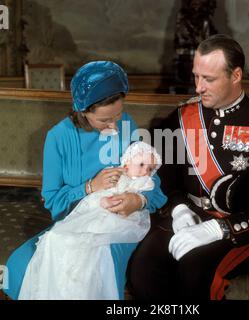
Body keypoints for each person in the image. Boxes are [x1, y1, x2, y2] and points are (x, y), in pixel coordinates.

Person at [127, 34, 249, 300]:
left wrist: (218, 230)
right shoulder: (183, 117)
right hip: (186, 217)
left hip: (239, 230)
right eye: (196, 76)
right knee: (143, 269)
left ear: (236, 75)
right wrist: (179, 208)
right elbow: (166, 177)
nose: (199, 87)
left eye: (209, 79)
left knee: (195, 270)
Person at [3, 61, 167, 300]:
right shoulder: (58, 138)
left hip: (121, 223)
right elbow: (54, 201)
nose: (113, 125)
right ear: (83, 111)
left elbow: (151, 178)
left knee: (93, 264)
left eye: (118, 115)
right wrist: (90, 187)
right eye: (104, 120)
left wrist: (138, 200)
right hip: (75, 222)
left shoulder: (125, 124)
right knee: (24, 264)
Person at [18, 141, 162, 300]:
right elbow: (98, 196)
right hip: (100, 211)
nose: (145, 171)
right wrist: (104, 200)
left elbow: (156, 197)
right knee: (59, 237)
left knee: (93, 246)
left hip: (126, 218)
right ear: (126, 164)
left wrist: (140, 199)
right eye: (141, 164)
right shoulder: (116, 175)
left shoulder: (146, 182)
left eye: (150, 168)